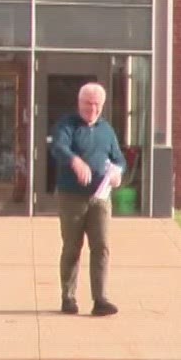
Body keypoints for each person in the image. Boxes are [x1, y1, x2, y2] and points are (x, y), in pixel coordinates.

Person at [48, 81, 125, 317]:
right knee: (72, 246)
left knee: (101, 246)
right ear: (79, 103)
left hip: (100, 198)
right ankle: (68, 296)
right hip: (72, 196)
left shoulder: (106, 130)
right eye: (87, 104)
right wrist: (75, 161)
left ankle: (100, 299)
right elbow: (58, 147)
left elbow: (119, 158)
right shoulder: (67, 125)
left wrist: (117, 173)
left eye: (96, 105)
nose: (92, 109)